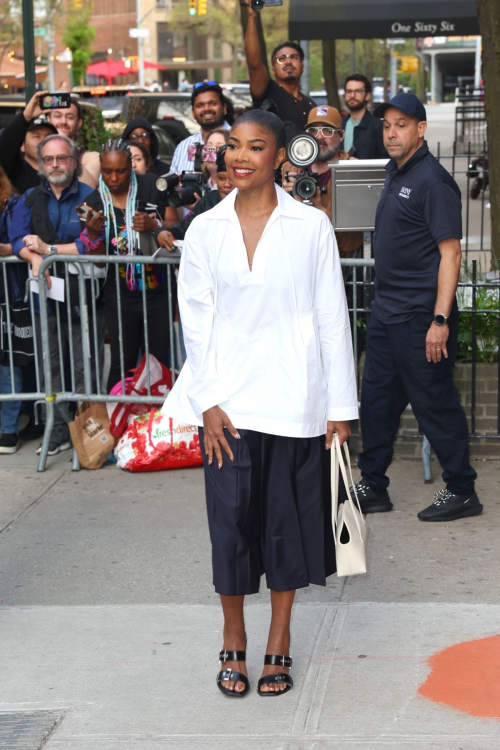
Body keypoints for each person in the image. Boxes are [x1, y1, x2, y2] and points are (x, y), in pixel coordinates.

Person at [162, 108, 358, 697]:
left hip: (296, 401)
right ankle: (233, 638)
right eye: (234, 147)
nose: (241, 156)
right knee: (230, 528)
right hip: (227, 409)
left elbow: (331, 318)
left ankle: (279, 640)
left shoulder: (310, 227)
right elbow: (195, 322)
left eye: (256, 146)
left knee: (285, 529)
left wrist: (340, 407)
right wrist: (210, 399)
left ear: (279, 155)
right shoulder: (204, 230)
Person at [353, 93, 481, 522]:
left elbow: (452, 254)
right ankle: (372, 485)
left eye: (402, 124)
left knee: (433, 403)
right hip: (388, 314)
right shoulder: (395, 172)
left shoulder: (433, 181)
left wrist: (440, 320)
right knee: (375, 403)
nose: (392, 132)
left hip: (421, 319)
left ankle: (462, 489)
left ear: (421, 129)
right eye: (387, 125)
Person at [9, 134, 106, 455]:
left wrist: (48, 250)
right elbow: (18, 237)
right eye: (49, 159)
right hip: (43, 297)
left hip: (80, 298)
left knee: (82, 365)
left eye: (61, 158)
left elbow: (89, 243)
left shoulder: (88, 197)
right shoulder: (31, 198)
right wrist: (37, 259)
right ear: (41, 164)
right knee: (49, 366)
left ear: (74, 161)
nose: (55, 165)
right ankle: (58, 429)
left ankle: (89, 433)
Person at [84, 140, 172, 392]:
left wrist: (154, 226)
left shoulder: (151, 186)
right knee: (121, 365)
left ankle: (157, 426)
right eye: (107, 171)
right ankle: (117, 426)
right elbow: (99, 260)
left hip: (158, 294)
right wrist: (92, 236)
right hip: (119, 297)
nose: (113, 178)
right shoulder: (90, 204)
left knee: (158, 363)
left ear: (131, 166)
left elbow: (173, 225)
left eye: (120, 171)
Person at [282, 105, 363, 256]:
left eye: (328, 130)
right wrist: (286, 199)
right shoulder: (290, 167)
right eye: (313, 130)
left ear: (341, 135)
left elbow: (352, 240)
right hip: (297, 256)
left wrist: (321, 211)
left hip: (338, 262)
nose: (319, 137)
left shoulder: (351, 170)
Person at [243, 3, 315, 132]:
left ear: (302, 67)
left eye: (294, 57)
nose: (288, 61)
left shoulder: (311, 104)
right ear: (273, 70)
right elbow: (254, 64)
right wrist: (252, 17)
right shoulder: (267, 91)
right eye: (281, 59)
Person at [156, 146, 234, 246]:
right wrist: (161, 233)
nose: (227, 185)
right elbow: (181, 230)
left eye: (232, 179)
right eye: (222, 179)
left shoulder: (254, 205)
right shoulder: (208, 201)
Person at [0, 165, 24, 454]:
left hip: (10, 293)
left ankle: (9, 429)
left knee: (8, 362)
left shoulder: (12, 204)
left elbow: (18, 242)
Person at [168, 82, 231, 175]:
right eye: (200, 105)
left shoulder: (239, 139)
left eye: (213, 103)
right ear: (193, 112)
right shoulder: (183, 146)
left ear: (224, 108)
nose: (206, 109)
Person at [0, 93, 58, 194]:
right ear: (22, 146)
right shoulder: (15, 170)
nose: (43, 141)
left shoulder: (63, 172)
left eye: (48, 136)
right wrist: (25, 116)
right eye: (36, 136)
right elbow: (6, 146)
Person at [44, 97, 101, 188]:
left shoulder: (91, 158)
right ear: (48, 120)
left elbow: (88, 187)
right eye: (58, 116)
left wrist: (65, 144)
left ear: (79, 123)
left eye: (70, 117)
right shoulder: (37, 155)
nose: (63, 121)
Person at [341, 74, 388, 160]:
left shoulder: (378, 127)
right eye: (349, 91)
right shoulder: (339, 125)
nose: (352, 95)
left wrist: (361, 166)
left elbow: (386, 161)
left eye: (358, 91)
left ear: (367, 95)